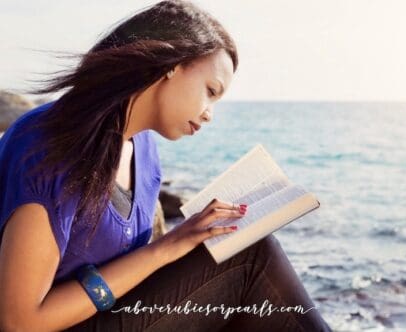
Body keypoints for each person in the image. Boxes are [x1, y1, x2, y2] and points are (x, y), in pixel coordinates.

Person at [0, 1, 333, 331]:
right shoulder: (50, 142)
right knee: (251, 256)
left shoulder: (145, 153)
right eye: (210, 91)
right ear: (171, 64)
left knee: (239, 252)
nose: (208, 114)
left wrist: (188, 241)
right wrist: (165, 249)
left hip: (112, 316)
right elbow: (20, 321)